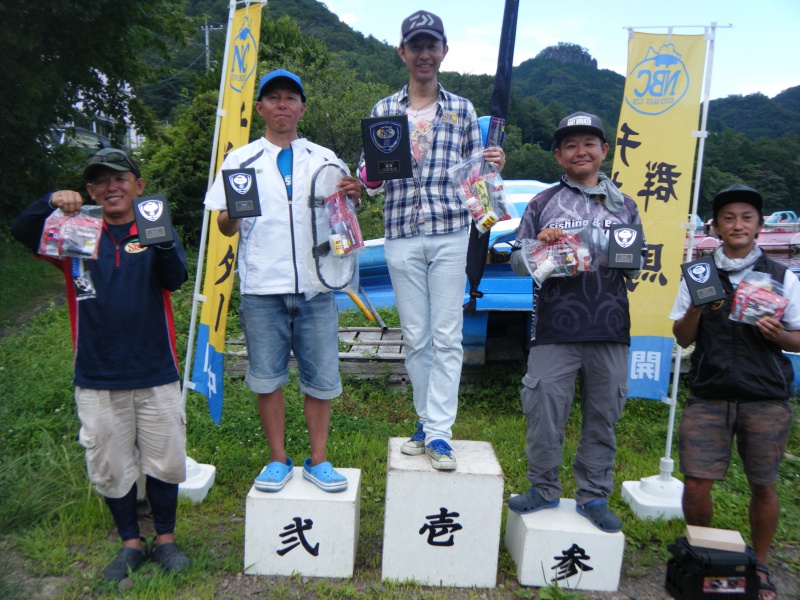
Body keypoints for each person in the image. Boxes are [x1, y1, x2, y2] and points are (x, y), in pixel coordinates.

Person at [11, 148, 190, 580]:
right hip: (96, 372)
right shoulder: (74, 230)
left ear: (138, 186)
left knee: (166, 460)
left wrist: (162, 240)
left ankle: (165, 539)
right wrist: (52, 200)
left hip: (155, 368)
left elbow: (176, 278)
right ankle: (130, 542)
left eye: (121, 178)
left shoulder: (153, 225)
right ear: (90, 190)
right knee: (109, 464)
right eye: (101, 181)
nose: (112, 187)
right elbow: (21, 230)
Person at [358, 10, 505, 470]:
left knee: (447, 335)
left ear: (443, 52)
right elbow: (370, 180)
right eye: (415, 46)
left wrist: (492, 164)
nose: (424, 54)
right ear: (402, 53)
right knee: (417, 337)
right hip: (400, 232)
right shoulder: (384, 110)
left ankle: (440, 431)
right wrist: (365, 174)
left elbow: (475, 175)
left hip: (450, 232)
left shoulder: (462, 109)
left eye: (431, 46)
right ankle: (425, 420)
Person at [204, 69, 362, 494]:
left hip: (316, 287)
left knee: (322, 379)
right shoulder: (240, 161)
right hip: (262, 288)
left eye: (290, 98)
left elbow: (342, 218)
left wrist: (353, 195)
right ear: (260, 108)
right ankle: (277, 460)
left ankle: (319, 460)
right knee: (267, 378)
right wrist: (235, 210)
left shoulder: (325, 158)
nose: (282, 105)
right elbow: (224, 226)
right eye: (272, 98)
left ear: (302, 108)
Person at [506, 112, 644, 532]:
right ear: (558, 157)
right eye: (570, 145)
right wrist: (539, 246)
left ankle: (594, 495)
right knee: (544, 412)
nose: (580, 151)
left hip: (610, 329)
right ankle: (543, 488)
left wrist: (624, 258)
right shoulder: (541, 203)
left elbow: (634, 270)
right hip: (553, 330)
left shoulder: (626, 206)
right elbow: (515, 262)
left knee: (603, 416)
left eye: (589, 143)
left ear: (604, 151)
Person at [670, 184, 800, 600]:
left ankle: (759, 566)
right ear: (716, 227)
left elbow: (798, 338)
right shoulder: (700, 272)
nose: (737, 224)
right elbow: (682, 337)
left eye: (746, 217)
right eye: (728, 217)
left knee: (763, 484)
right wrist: (696, 307)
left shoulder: (783, 278)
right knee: (695, 484)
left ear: (760, 226)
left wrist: (781, 335)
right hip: (709, 393)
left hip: (765, 396)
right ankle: (708, 556)